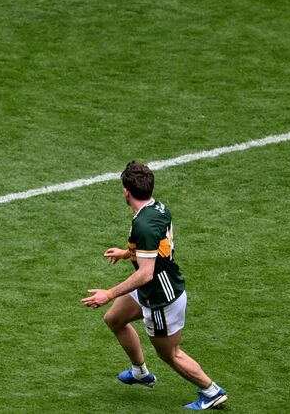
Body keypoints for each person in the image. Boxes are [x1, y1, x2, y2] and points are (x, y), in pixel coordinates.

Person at [81, 161, 227, 410]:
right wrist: (127, 253)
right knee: (114, 319)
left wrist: (109, 293)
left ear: (127, 192)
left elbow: (146, 274)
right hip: (153, 289)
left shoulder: (144, 224)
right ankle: (139, 372)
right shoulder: (156, 207)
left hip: (160, 298)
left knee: (170, 354)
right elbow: (155, 247)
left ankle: (210, 391)